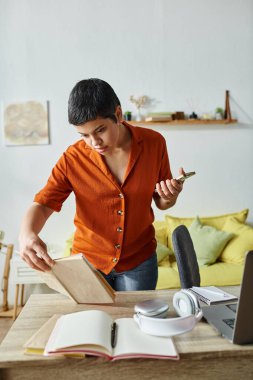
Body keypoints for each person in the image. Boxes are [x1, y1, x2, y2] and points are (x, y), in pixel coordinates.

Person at [19, 78, 184, 291]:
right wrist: (26, 234)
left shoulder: (155, 143)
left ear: (118, 114)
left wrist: (170, 197)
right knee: (92, 323)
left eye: (100, 130)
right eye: (84, 135)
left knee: (134, 323)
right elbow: (43, 203)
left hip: (140, 262)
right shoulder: (73, 158)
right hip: (88, 265)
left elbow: (161, 202)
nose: (94, 142)